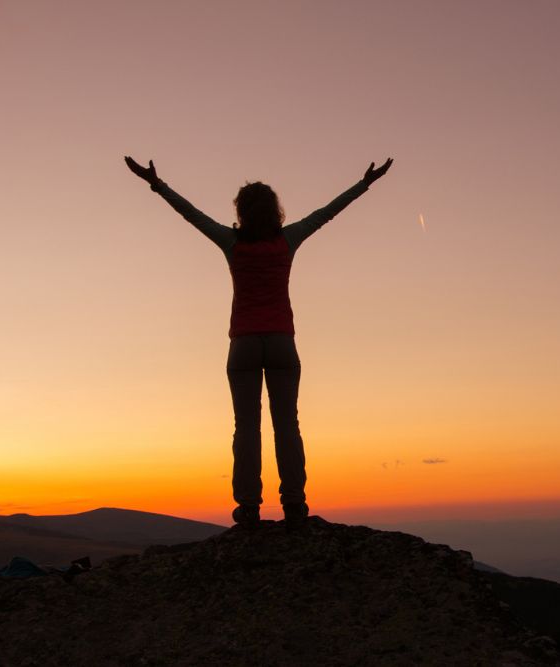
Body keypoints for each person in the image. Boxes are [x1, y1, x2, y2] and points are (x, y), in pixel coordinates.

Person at [124, 155, 393, 526]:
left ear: (242, 211)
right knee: (288, 425)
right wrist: (365, 184)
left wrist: (156, 184)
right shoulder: (287, 240)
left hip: (244, 346)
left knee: (246, 427)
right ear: (275, 211)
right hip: (282, 342)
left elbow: (190, 214)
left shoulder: (231, 242)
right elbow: (328, 212)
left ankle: (249, 505)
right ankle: (294, 504)